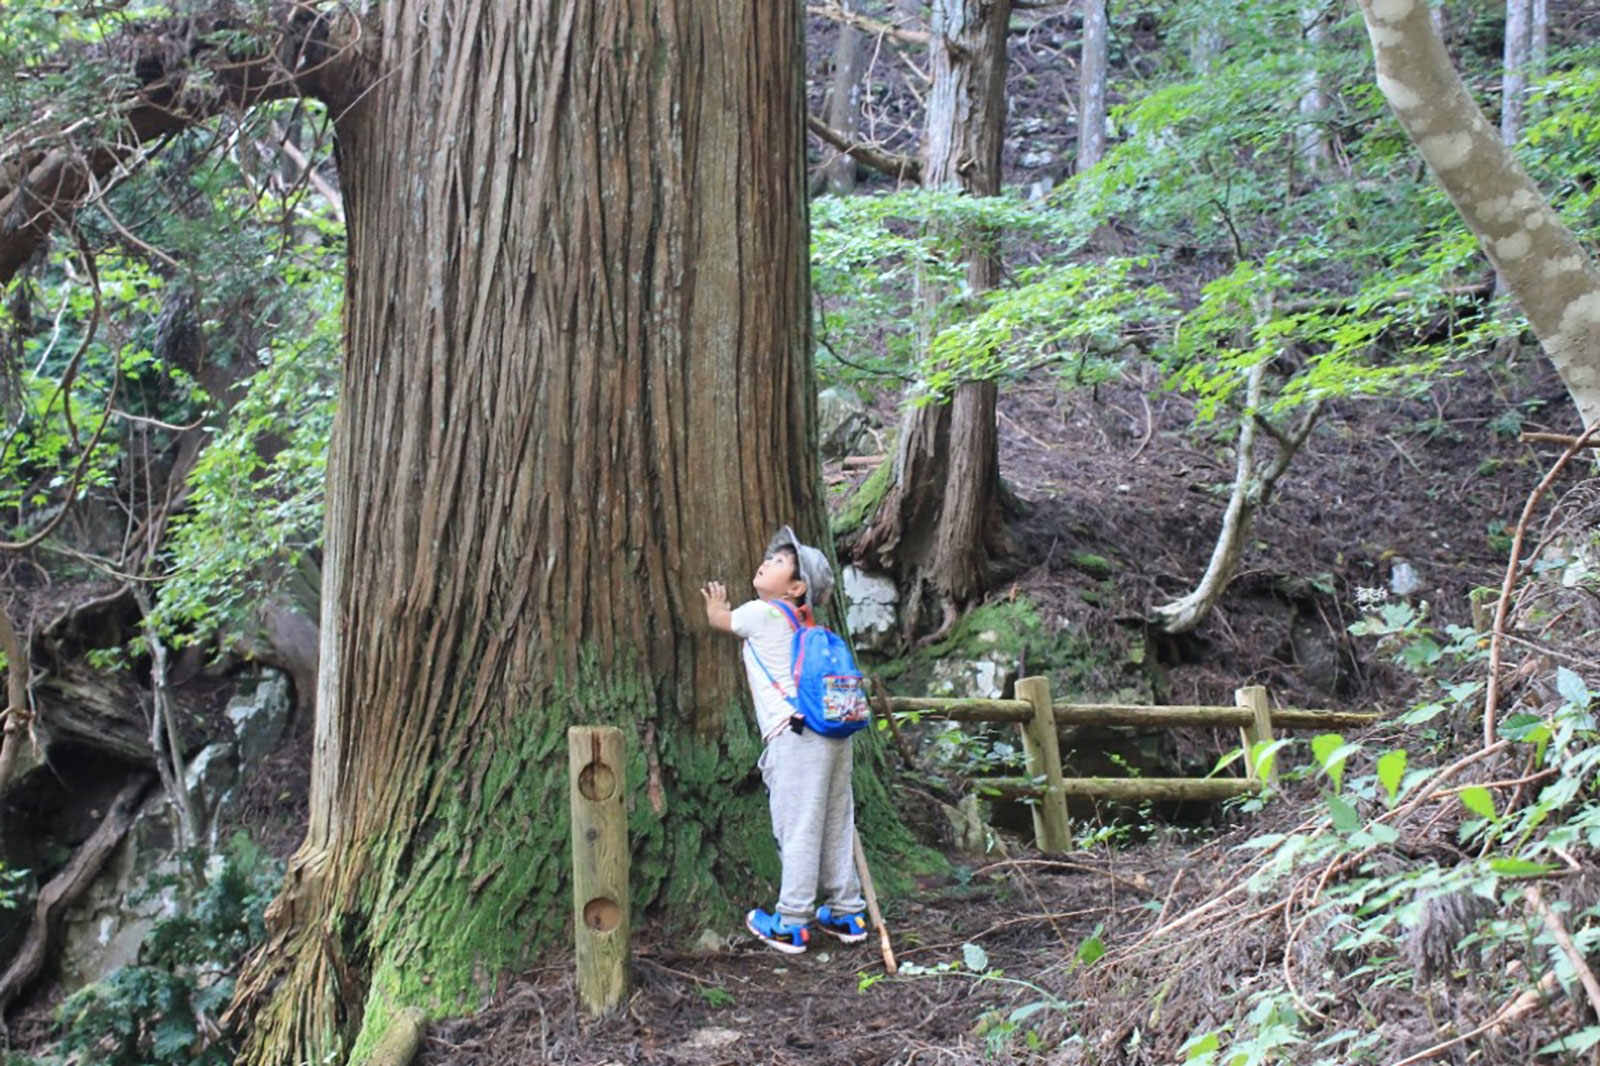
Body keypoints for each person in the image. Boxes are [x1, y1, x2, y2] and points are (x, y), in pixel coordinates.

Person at [701, 526, 869, 954]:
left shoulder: (761, 612)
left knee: (798, 827)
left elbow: (722, 622)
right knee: (835, 822)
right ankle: (847, 911)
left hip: (795, 739)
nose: (766, 561)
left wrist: (716, 606)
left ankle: (792, 921)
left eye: (778, 562)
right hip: (834, 736)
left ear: (796, 587)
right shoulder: (808, 627)